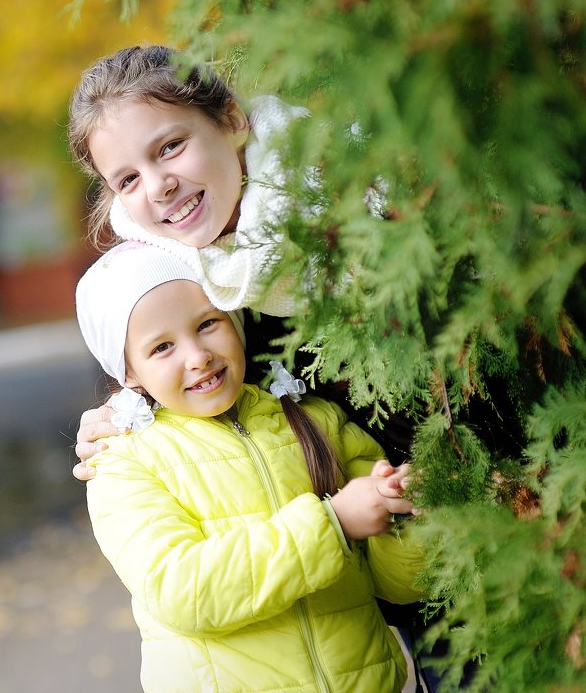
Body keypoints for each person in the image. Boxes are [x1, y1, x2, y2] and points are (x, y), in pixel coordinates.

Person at [75, 240, 425, 693]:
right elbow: (184, 592)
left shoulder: (316, 421)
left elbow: (402, 585)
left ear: (235, 321)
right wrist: (333, 526)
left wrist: (399, 514)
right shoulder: (123, 463)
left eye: (207, 324)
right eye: (162, 347)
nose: (197, 355)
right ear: (129, 373)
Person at [66, 44, 421, 479]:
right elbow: (176, 370)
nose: (158, 186)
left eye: (171, 146)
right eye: (129, 179)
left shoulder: (350, 188)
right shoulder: (174, 274)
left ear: (233, 122)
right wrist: (124, 413)